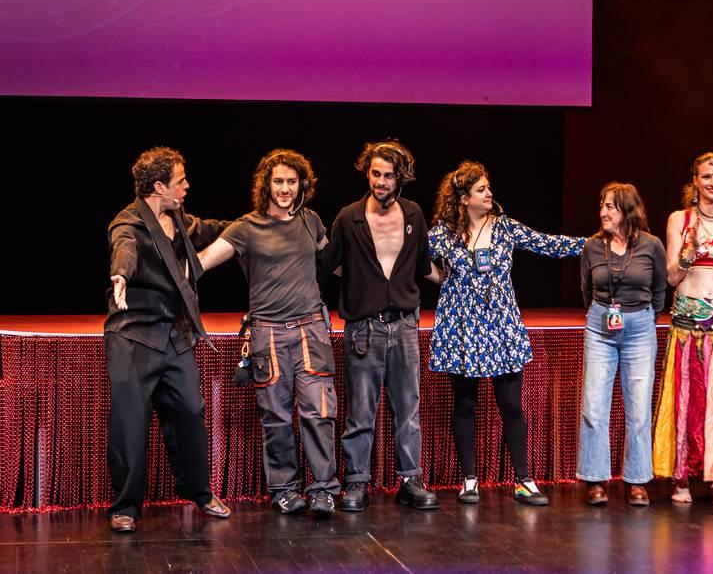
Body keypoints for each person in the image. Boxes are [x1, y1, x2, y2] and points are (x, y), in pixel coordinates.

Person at [428, 161, 585, 506]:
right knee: (465, 404)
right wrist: (440, 277)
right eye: (481, 189)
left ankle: (524, 480)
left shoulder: (504, 227)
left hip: (501, 326)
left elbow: (548, 244)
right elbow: (414, 258)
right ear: (464, 198)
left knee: (511, 405)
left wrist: (594, 244)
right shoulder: (443, 233)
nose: (489, 193)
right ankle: (470, 479)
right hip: (462, 327)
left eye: (488, 187)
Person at [198, 149, 339, 515]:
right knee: (276, 417)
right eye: (278, 181)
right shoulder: (247, 227)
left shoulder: (310, 221)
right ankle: (284, 489)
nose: (285, 188)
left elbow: (335, 264)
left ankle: (323, 489)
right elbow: (204, 260)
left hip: (311, 330)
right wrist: (160, 275)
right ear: (266, 184)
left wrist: (382, 264)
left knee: (319, 412)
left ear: (302, 184)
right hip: (268, 334)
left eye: (292, 181)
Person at [104, 147, 231, 532]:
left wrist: (255, 224)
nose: (187, 185)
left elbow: (212, 228)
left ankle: (198, 491)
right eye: (181, 180)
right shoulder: (128, 223)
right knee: (130, 422)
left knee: (190, 410)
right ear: (159, 186)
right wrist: (120, 274)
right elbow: (124, 248)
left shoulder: (180, 219)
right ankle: (126, 506)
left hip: (175, 335)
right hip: (135, 336)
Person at [319, 140, 439, 511]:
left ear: (400, 178)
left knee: (408, 407)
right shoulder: (349, 217)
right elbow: (327, 265)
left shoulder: (414, 214)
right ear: (366, 173)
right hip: (364, 328)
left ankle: (410, 479)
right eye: (375, 174)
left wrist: (459, 280)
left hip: (404, 324)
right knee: (360, 410)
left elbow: (422, 265)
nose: (381, 182)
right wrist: (361, 281)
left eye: (388, 175)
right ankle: (356, 481)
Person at [652, 152, 713, 504]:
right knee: (686, 401)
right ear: (695, 180)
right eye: (706, 176)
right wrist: (689, 252)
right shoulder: (679, 219)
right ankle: (681, 477)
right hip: (687, 321)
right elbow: (671, 277)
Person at [577, 183, 666, 507]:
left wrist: (644, 317)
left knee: (639, 408)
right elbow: (586, 290)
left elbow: (659, 290)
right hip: (600, 326)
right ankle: (595, 479)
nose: (602, 211)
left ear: (627, 210)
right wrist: (602, 312)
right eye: (601, 205)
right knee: (594, 406)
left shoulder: (651, 245)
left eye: (610, 206)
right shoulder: (592, 247)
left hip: (640, 327)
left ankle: (637, 480)